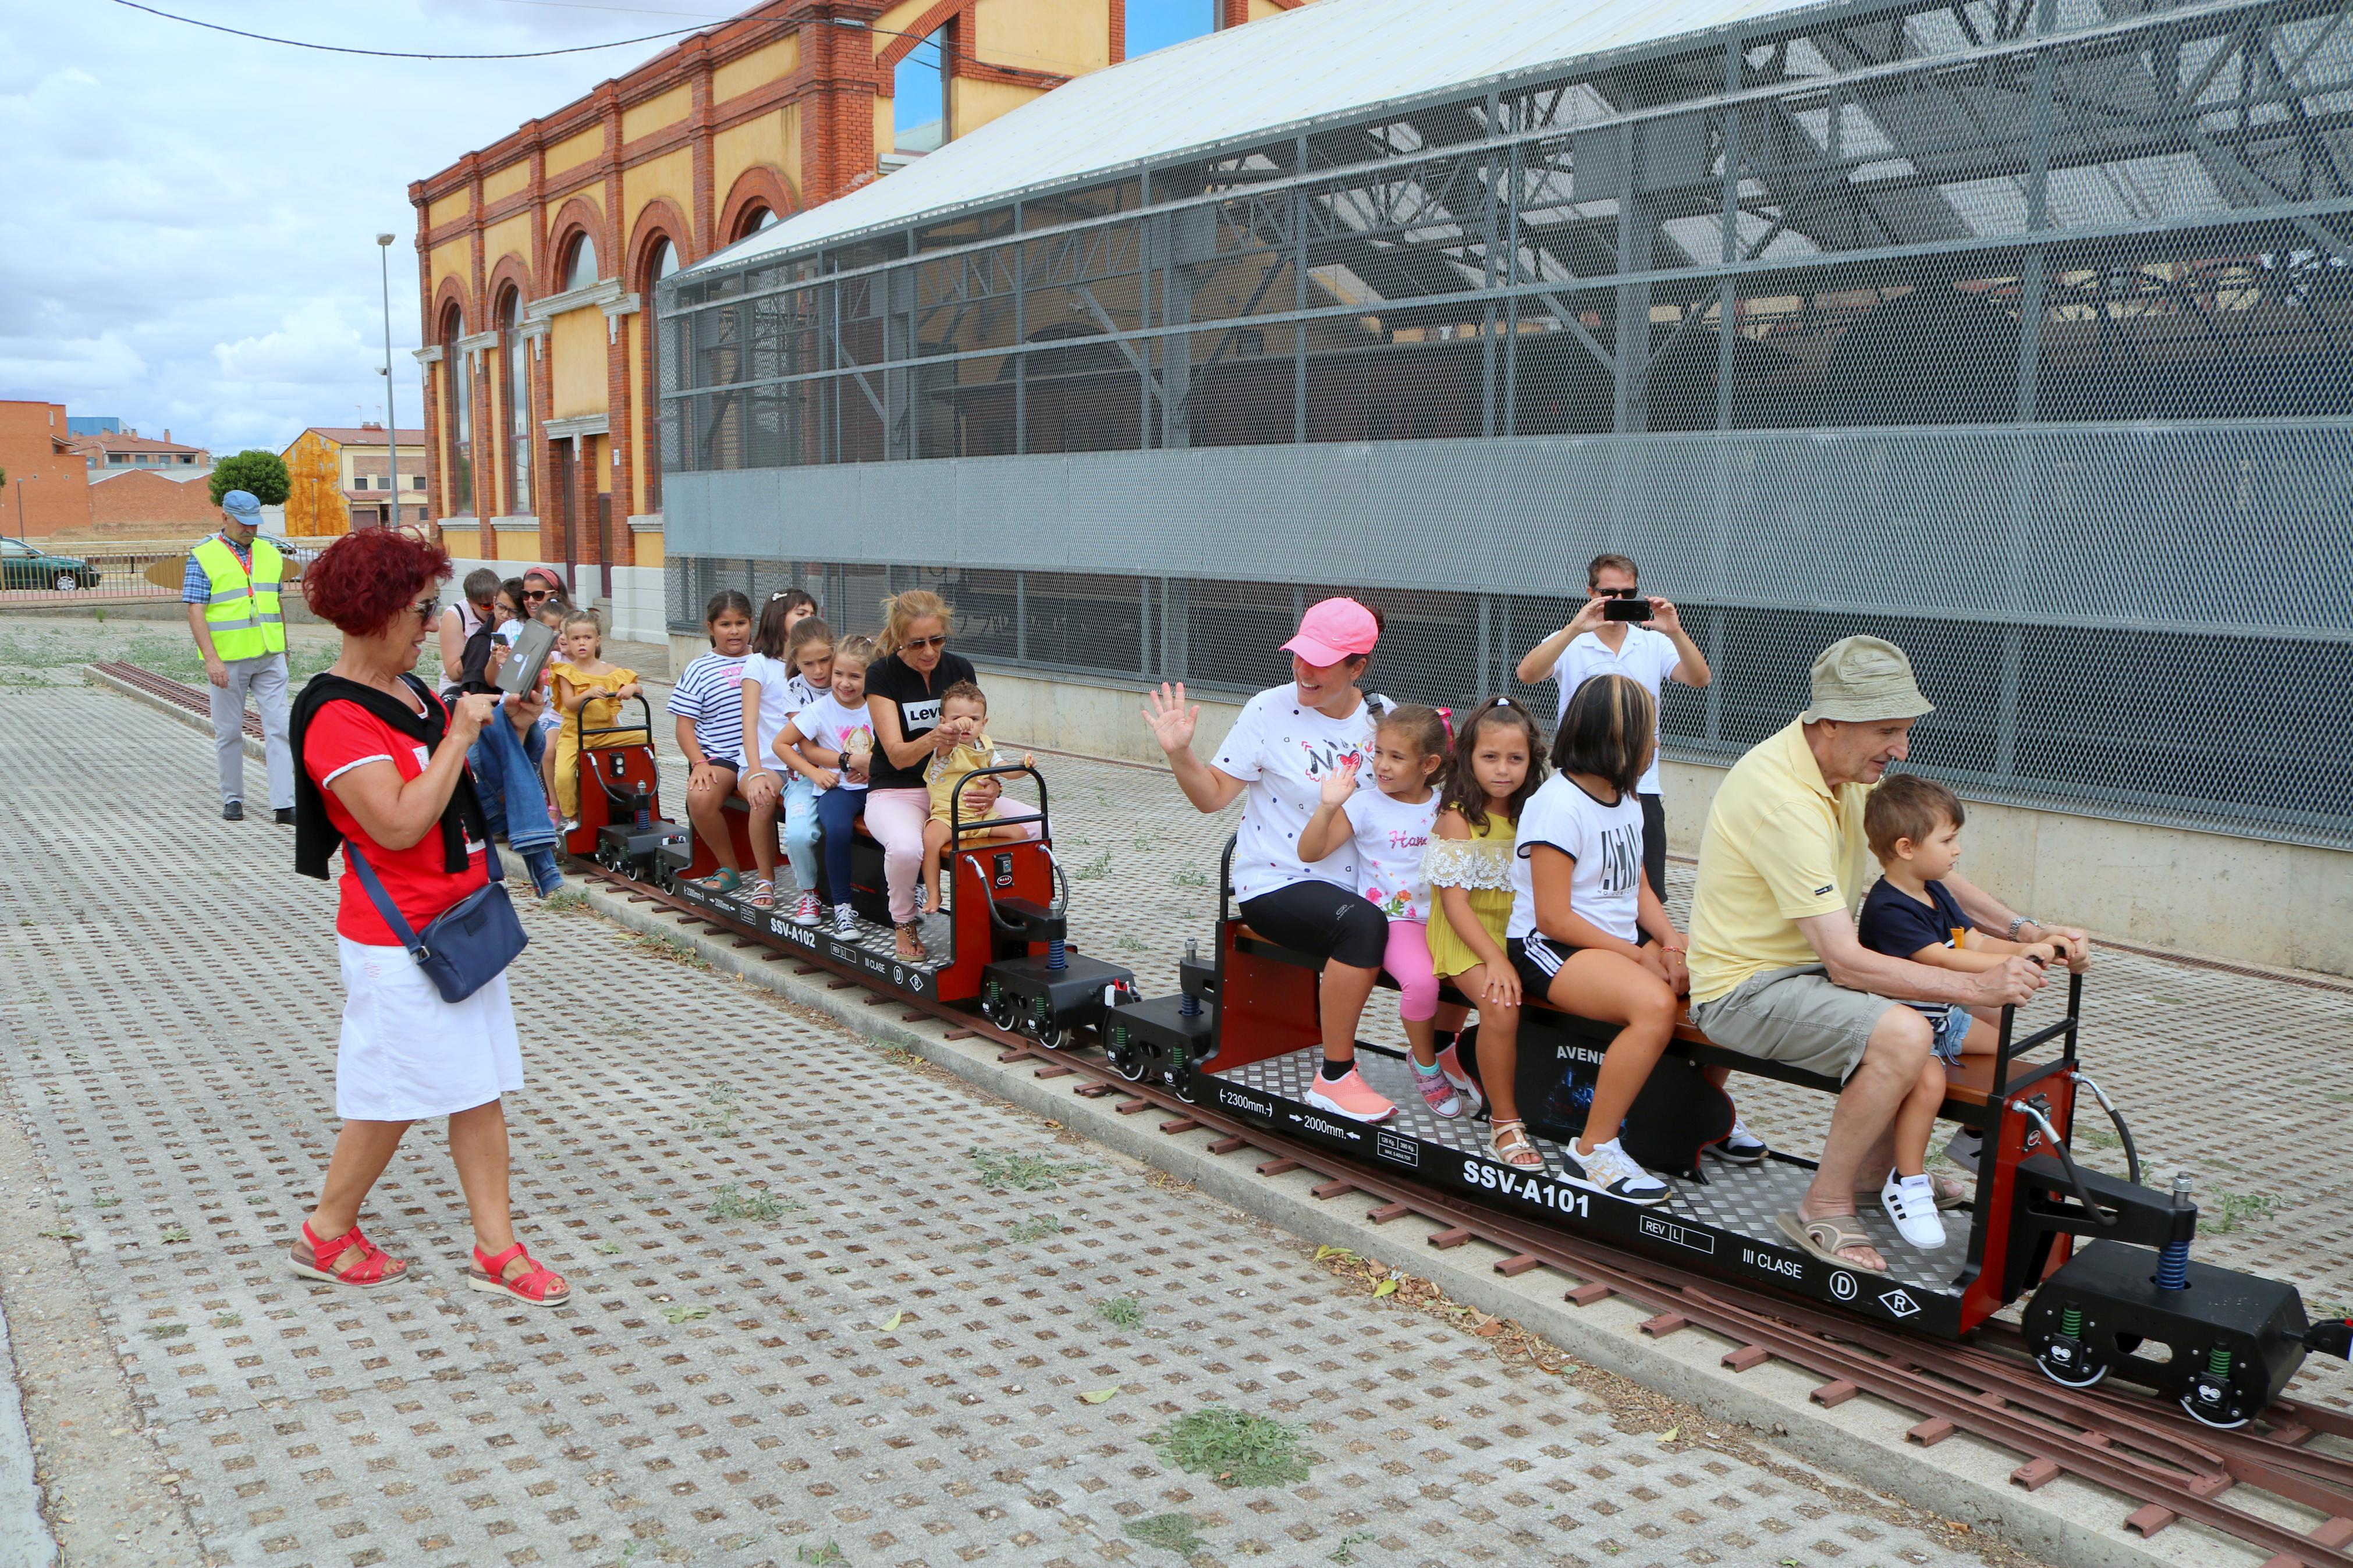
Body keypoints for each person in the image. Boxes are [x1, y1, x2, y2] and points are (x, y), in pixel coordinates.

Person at [1685, 636, 2072, 1273]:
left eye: (1905, 729)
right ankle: (1825, 1203)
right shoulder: (1782, 797)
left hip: (1807, 972)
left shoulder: (1841, 772)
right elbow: (1845, 962)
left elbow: (1921, 862)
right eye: (1887, 730)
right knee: (1902, 1032)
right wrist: (1978, 986)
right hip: (1742, 990)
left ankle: (1882, 1176)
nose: (1901, 748)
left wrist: (2026, 929)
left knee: (1956, 1034)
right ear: (1830, 723)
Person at [284, 526, 568, 1307]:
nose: (431, 622)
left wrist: (505, 726)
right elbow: (400, 821)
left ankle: (495, 1245)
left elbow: (456, 790)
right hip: (399, 939)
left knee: (471, 1087)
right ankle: (328, 1228)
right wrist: (463, 733)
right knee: (394, 1098)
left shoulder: (408, 693)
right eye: (418, 608)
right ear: (373, 613)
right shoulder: (334, 714)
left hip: (457, 919)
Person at [1144, 597, 1399, 1123]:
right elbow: (1212, 796)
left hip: (1366, 883)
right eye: (1300, 654)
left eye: (1322, 660)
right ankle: (1334, 1077)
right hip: (1277, 881)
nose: (1304, 670)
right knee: (1363, 927)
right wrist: (1179, 753)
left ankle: (1443, 1058)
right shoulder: (1268, 709)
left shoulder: (1383, 718)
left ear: (1358, 666)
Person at [1855, 773, 2090, 1246]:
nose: (1956, 850)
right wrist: (2020, 958)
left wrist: (2035, 943)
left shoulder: (1935, 888)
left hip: (1944, 1022)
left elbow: (1973, 939)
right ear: (1906, 847)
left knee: (2009, 1054)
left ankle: (1973, 1136)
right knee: (1930, 1081)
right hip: (1899, 1032)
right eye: (1948, 839)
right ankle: (1909, 1181)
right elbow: (1942, 958)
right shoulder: (1888, 907)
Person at [1507, 674, 1691, 1203]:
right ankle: (1591, 1152)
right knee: (1655, 1003)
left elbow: (1638, 889)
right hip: (1546, 948)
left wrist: (1671, 942)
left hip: (1608, 945)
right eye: (1649, 733)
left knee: (1715, 982)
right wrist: (1639, 957)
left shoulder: (1625, 799)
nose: (1656, 744)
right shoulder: (1557, 804)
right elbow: (1554, 918)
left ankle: (1694, 1119)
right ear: (1617, 737)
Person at [1515, 553, 1710, 905]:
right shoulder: (1569, 637)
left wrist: (1676, 631)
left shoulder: (1653, 641)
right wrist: (1576, 628)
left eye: (1628, 594)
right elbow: (1528, 674)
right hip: (1580, 780)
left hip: (1640, 782)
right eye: (1609, 593)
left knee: (1647, 890)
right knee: (1588, 884)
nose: (1619, 602)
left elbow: (1699, 679)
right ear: (1591, 592)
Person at [1296, 705, 1458, 1115]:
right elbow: (1310, 851)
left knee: (1475, 972)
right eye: (1378, 753)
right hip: (1396, 922)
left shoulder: (1446, 806)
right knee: (1422, 984)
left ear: (1429, 764)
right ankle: (1425, 1064)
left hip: (1447, 918)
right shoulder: (1365, 804)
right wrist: (1328, 805)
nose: (1382, 766)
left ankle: (1450, 1046)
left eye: (1396, 757)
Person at [1425, 697, 1547, 1164]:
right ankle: (1505, 1123)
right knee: (1500, 1006)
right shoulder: (1458, 818)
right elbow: (1454, 906)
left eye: (1515, 759)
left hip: (1514, 931)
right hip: (1465, 934)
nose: (1503, 770)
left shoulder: (1533, 813)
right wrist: (1494, 958)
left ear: (1531, 761)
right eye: (1490, 757)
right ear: (1468, 758)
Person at [862, 590, 981, 961]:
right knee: (906, 848)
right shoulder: (881, 674)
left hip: (952, 785)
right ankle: (903, 921)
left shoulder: (960, 668)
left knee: (1034, 827)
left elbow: (979, 736)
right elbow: (896, 756)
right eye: (917, 644)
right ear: (899, 639)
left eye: (937, 640)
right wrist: (933, 738)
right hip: (898, 790)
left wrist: (989, 781)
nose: (929, 652)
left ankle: (1006, 919)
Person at [182, 489, 297, 823]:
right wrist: (211, 659)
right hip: (228, 660)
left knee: (279, 729)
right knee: (229, 731)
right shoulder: (203, 556)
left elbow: (276, 605)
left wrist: (284, 646)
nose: (250, 529)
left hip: (270, 655)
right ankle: (233, 799)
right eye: (243, 523)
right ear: (225, 518)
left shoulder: (271, 554)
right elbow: (195, 610)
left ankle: (284, 805)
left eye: (255, 524)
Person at [776, 635, 877, 935]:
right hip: (839, 790)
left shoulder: (879, 705)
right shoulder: (820, 710)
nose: (845, 683)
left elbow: (892, 746)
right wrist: (814, 772)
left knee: (901, 824)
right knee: (837, 830)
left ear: (869, 677)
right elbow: (781, 744)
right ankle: (843, 908)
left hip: (876, 788)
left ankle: (912, 892)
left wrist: (875, 768)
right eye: (839, 674)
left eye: (855, 676)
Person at [916, 682, 1039, 913]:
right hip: (948, 817)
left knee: (1020, 833)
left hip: (981, 817)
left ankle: (1019, 887)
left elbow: (1006, 772)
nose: (966, 724)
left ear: (984, 723)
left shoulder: (986, 747)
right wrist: (953, 729)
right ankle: (934, 894)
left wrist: (1024, 767)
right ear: (942, 723)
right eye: (957, 718)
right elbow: (945, 743)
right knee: (930, 840)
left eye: (973, 719)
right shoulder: (945, 747)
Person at [736, 594, 822, 912]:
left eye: (811, 613)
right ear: (778, 616)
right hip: (767, 762)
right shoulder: (759, 662)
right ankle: (765, 877)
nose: (807, 617)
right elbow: (750, 721)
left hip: (804, 762)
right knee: (763, 797)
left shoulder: (818, 665)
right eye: (800, 612)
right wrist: (755, 772)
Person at [669, 589, 756, 893]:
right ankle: (729, 868)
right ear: (710, 627)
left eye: (741, 623)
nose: (734, 631)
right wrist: (699, 763)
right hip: (724, 756)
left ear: (752, 623)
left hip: (766, 754)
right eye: (725, 624)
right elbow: (684, 727)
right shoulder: (699, 668)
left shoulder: (766, 659)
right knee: (700, 797)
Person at [547, 610, 646, 825]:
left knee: (644, 742)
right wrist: (587, 694)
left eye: (587, 638)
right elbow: (569, 704)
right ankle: (573, 817)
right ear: (567, 642)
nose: (582, 643)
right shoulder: (566, 672)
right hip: (575, 734)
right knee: (563, 775)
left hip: (607, 731)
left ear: (598, 641)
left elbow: (638, 688)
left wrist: (632, 688)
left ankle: (639, 799)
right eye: (576, 639)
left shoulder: (610, 670)